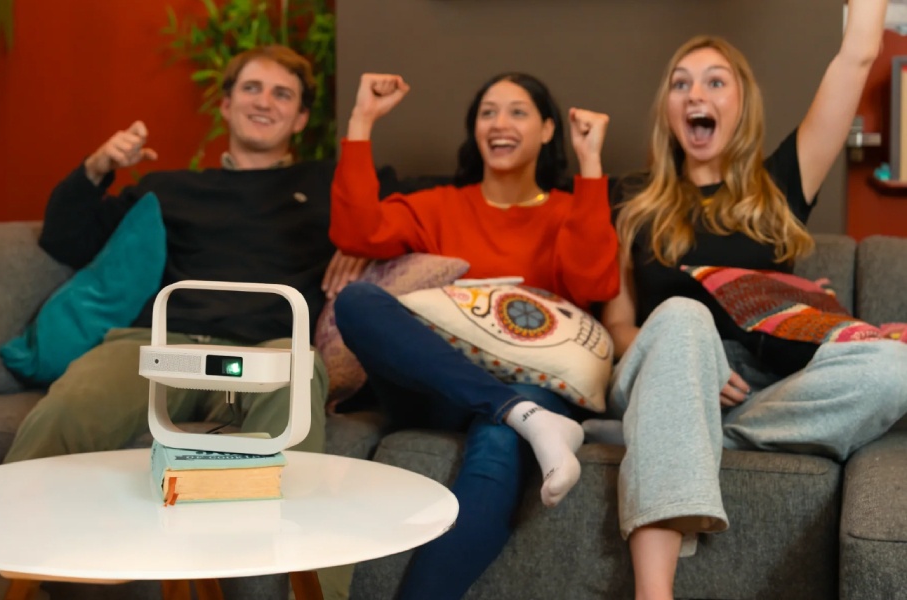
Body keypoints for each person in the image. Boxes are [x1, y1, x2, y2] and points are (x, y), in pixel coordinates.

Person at [0, 45, 366, 600]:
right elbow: (67, 239)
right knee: (66, 409)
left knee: (299, 394)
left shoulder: (330, 187)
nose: (264, 101)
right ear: (226, 105)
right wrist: (98, 166)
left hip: (265, 348)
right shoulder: (169, 187)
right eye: (251, 88)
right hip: (161, 345)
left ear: (299, 118)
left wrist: (368, 243)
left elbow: (416, 209)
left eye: (282, 94)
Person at [601, 3, 907, 598]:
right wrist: (689, 367)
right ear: (667, 109)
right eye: (681, 83)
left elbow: (857, 55)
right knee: (684, 315)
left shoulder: (781, 184)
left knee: (893, 367)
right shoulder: (630, 200)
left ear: (742, 105)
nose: (697, 93)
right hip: (659, 360)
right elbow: (618, 323)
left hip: (761, 390)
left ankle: (675, 436)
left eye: (716, 82)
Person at [329, 71, 619, 599]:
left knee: (500, 442)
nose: (499, 123)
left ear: (548, 129)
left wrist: (591, 163)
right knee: (357, 301)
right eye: (488, 112)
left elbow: (592, 283)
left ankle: (517, 414)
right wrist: (362, 119)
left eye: (517, 112)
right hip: (435, 388)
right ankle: (521, 414)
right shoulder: (439, 205)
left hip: (534, 382)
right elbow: (356, 232)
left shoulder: (566, 212)